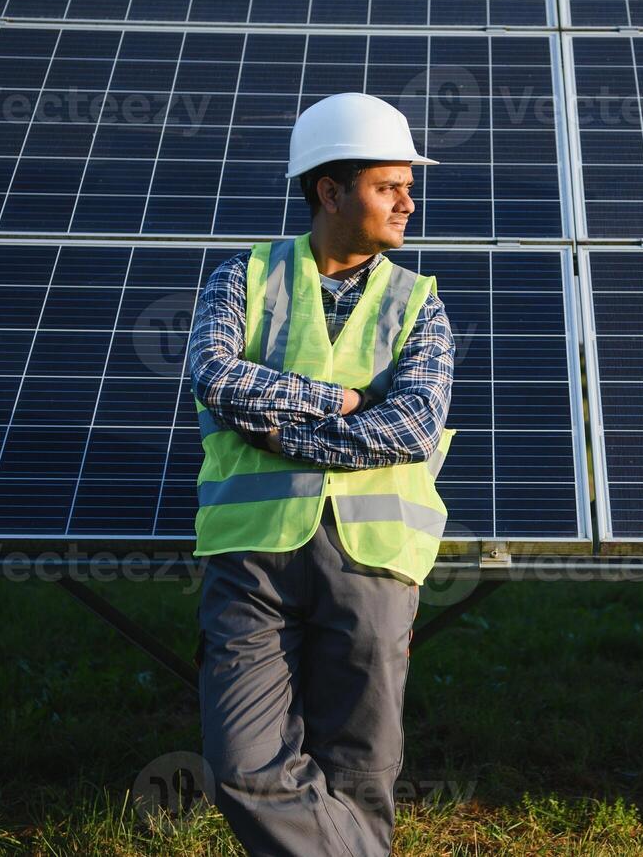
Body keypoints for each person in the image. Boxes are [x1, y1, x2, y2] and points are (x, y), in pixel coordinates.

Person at [187, 91, 456, 855]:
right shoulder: (243, 277)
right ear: (328, 192)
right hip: (250, 555)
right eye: (387, 186)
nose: (409, 200)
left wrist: (284, 433)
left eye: (407, 184)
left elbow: (410, 425)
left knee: (361, 766)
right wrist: (336, 401)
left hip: (373, 559)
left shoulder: (419, 304)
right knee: (241, 763)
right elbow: (215, 378)